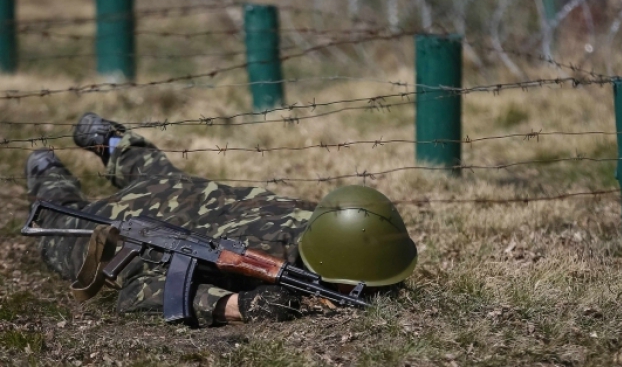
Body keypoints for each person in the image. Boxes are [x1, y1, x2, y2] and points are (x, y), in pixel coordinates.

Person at [24, 112, 417, 327]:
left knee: (151, 168)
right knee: (60, 222)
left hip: (188, 193)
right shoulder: (258, 265)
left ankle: (109, 140)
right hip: (132, 222)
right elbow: (138, 293)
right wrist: (234, 305)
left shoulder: (322, 218)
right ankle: (45, 170)